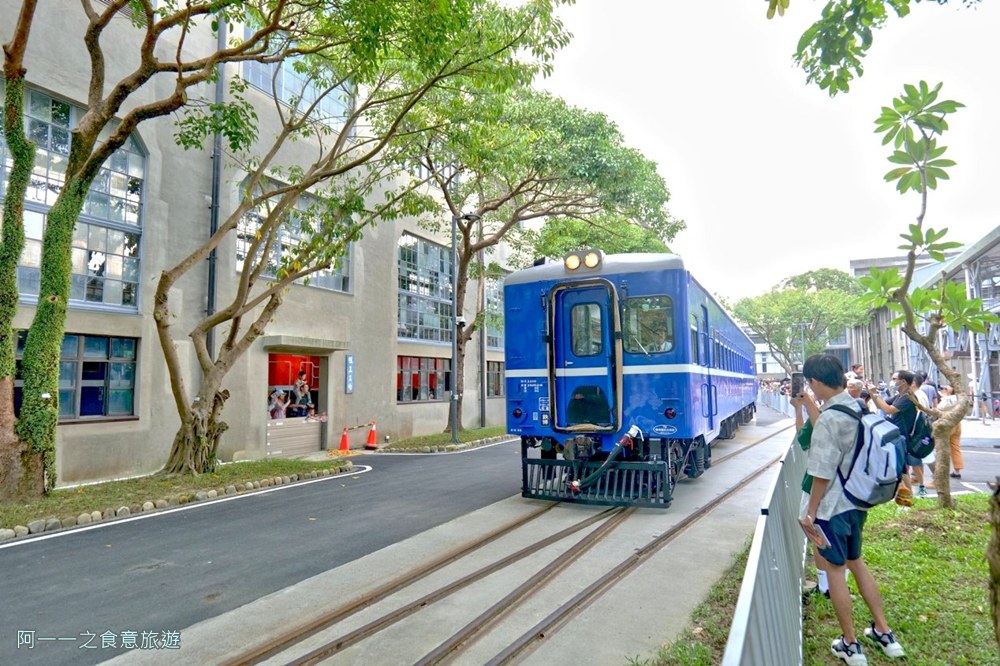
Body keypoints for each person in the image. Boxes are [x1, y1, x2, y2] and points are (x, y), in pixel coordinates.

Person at [799, 354, 905, 665]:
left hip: (833, 508)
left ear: (817, 382)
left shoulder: (831, 418)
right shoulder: (857, 405)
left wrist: (810, 513)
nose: (810, 388)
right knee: (857, 562)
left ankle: (850, 643)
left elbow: (822, 472)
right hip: (858, 501)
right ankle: (885, 634)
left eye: (810, 384)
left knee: (835, 571)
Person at [868, 371, 919, 505]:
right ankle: (905, 496)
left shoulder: (907, 397)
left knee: (902, 468)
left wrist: (875, 393)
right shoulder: (900, 396)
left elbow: (888, 409)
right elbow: (881, 405)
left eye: (894, 379)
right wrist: (873, 394)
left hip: (902, 436)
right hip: (896, 435)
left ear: (903, 381)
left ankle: (908, 497)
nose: (892, 382)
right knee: (901, 468)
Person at [938, 385, 964, 479]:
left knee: (942, 448)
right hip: (957, 423)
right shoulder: (960, 398)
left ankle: (942, 470)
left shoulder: (950, 399)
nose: (944, 390)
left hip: (948, 424)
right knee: (955, 447)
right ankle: (957, 470)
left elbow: (940, 407)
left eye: (946, 388)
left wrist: (944, 396)